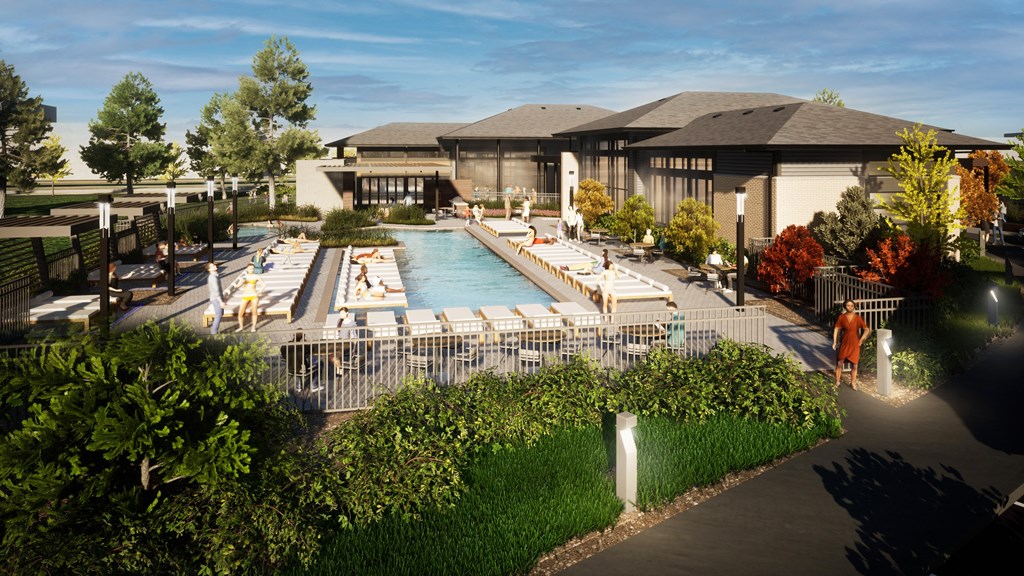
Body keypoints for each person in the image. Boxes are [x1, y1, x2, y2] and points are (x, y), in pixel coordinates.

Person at [832, 299, 871, 390]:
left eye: (852, 305)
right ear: (845, 306)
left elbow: (867, 329)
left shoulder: (858, 318)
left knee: (855, 365)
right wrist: (834, 342)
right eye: (848, 305)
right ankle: (837, 382)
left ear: (854, 307)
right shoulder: (841, 317)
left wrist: (861, 340)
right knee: (839, 363)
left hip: (854, 343)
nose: (850, 307)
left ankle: (853, 383)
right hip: (845, 342)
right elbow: (836, 329)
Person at [230, 263, 265, 332]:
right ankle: (241, 327)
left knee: (254, 312)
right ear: (247, 269)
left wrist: (259, 292)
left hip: (254, 296)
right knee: (240, 313)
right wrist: (241, 283)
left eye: (252, 269)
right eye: (250, 269)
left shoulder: (256, 277)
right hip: (245, 296)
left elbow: (263, 285)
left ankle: (253, 327)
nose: (251, 270)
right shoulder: (244, 277)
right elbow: (238, 286)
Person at [206, 261, 227, 335]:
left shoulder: (216, 275)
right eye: (212, 266)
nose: (214, 266)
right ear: (209, 269)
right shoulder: (213, 278)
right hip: (216, 298)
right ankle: (214, 332)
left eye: (214, 265)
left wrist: (223, 297)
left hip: (218, 297)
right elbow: (216, 291)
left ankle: (214, 330)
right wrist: (221, 301)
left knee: (220, 313)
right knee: (219, 314)